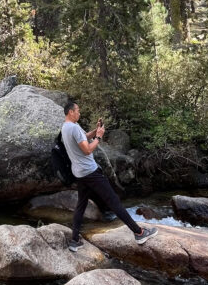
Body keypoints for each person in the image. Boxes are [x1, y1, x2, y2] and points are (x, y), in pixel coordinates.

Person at [61, 99, 158, 251]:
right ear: (71, 112)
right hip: (90, 172)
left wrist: (95, 131)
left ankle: (74, 241)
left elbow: (83, 137)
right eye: (78, 110)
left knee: (81, 206)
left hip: (79, 173)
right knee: (114, 201)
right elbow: (87, 150)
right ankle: (139, 233)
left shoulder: (66, 127)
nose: (79, 113)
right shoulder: (73, 128)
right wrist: (99, 137)